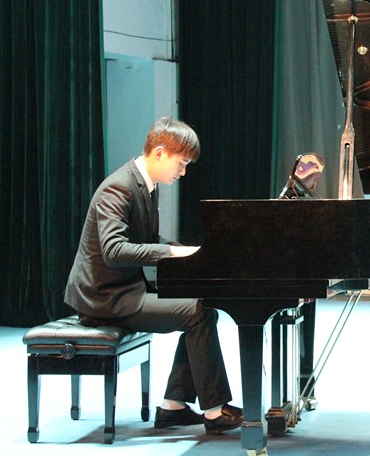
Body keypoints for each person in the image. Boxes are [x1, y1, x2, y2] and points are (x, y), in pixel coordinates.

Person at [64, 117, 243, 434]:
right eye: (181, 163)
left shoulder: (146, 185)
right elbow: (114, 250)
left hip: (124, 289)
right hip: (103, 298)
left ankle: (174, 407)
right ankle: (214, 411)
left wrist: (191, 252)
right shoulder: (118, 188)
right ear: (160, 153)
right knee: (199, 313)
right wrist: (172, 253)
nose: (183, 172)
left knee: (202, 308)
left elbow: (149, 240)